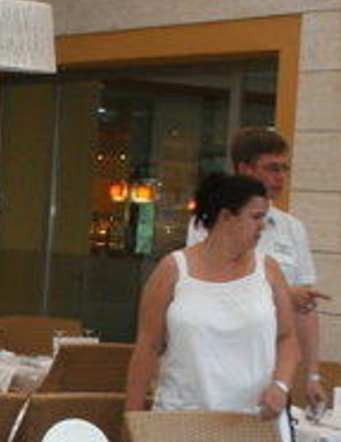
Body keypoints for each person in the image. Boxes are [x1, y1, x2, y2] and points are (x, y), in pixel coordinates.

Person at [125, 172, 299, 421]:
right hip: (181, 418)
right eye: (255, 217)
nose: (262, 226)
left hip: (254, 419)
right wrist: (132, 416)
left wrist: (281, 385)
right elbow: (147, 346)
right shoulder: (172, 269)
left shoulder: (269, 270)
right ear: (226, 217)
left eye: (264, 217)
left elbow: (288, 337)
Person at [191, 126, 324, 408]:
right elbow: (208, 294)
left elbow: (306, 310)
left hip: (275, 370)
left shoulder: (293, 228)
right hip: (218, 366)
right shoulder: (213, 222)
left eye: (285, 168)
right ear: (245, 169)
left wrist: (312, 374)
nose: (281, 177)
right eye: (272, 168)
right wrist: (286, 295)